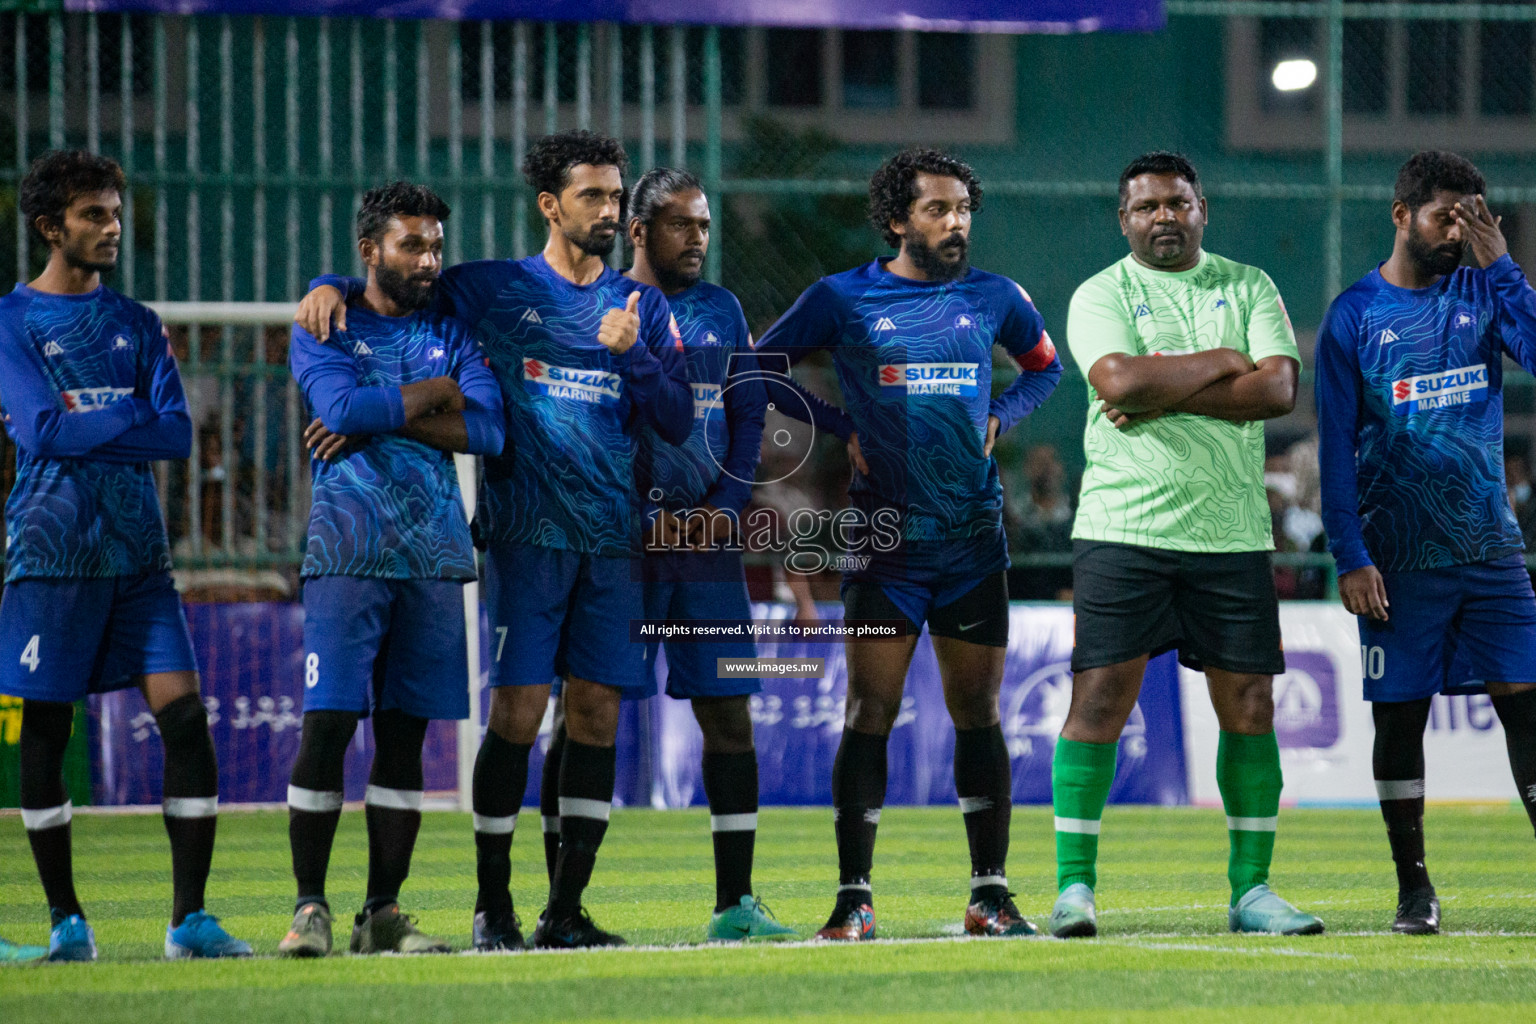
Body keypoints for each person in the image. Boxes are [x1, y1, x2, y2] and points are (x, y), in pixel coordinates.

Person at [295, 130, 690, 949]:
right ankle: (493, 906)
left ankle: (566, 909)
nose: (611, 211)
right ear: (551, 205)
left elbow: (679, 418)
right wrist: (326, 284)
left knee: (595, 715)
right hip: (523, 533)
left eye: (617, 197)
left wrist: (638, 362)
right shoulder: (490, 289)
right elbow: (396, 287)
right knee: (516, 713)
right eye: (594, 196)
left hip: (612, 542)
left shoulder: (642, 307)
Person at [754, 147, 1062, 940]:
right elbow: (757, 368)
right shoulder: (842, 297)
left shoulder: (997, 297)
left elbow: (1045, 368)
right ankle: (854, 899)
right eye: (937, 209)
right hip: (884, 542)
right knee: (870, 711)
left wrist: (1003, 414)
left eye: (963, 208)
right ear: (897, 218)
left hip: (971, 541)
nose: (955, 222)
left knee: (978, 713)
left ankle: (989, 896)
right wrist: (840, 425)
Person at [1051, 151, 1320, 939]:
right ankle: (1074, 890)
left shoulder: (1250, 284)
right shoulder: (1101, 292)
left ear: (1203, 208)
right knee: (1098, 703)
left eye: (1177, 203)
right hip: (1122, 527)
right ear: (1123, 218)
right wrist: (1223, 363)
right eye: (1146, 207)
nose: (1163, 216)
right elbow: (1118, 383)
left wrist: (1164, 382)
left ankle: (1252, 893)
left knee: (1251, 706)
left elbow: (1276, 391)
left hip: (1231, 534)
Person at [0, 150, 250, 961]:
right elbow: (40, 432)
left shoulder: (136, 322)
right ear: (50, 227)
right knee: (44, 728)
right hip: (52, 553)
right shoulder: (10, 322)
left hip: (140, 559)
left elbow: (175, 434)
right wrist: (127, 410)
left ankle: (189, 921)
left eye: (115, 213)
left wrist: (86, 418)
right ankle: (67, 924)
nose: (112, 228)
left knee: (188, 724)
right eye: (93, 216)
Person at [279, 183, 504, 957]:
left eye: (437, 245)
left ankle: (382, 911)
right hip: (348, 552)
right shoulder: (327, 324)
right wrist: (436, 395)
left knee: (406, 738)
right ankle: (308, 907)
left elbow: (491, 428)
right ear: (370, 249)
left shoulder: (454, 331)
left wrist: (400, 407)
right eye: (413, 245)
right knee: (331, 723)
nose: (430, 259)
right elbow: (337, 414)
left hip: (436, 557)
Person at [1315, 150, 1536, 935]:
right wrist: (1350, 554)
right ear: (1402, 213)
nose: (1460, 231)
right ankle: (1415, 887)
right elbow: (1334, 446)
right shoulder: (1353, 316)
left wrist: (1503, 266)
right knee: (1399, 722)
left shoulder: (1484, 289)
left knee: (1529, 711)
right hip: (1399, 561)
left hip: (1489, 549)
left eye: (1476, 216)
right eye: (1448, 215)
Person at [625, 167, 795, 940]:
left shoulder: (722, 308)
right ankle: (563, 904)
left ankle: (735, 904)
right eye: (679, 224)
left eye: (703, 224)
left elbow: (750, 412)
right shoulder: (606, 304)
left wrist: (726, 510)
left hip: (707, 549)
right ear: (639, 231)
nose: (697, 237)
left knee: (729, 716)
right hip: (623, 548)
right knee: (587, 712)